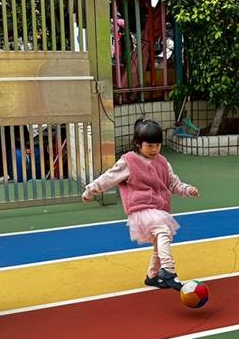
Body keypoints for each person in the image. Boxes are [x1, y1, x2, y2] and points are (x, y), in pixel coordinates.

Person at [82, 118, 198, 290]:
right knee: (163, 231)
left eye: (157, 145)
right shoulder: (129, 161)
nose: (154, 149)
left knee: (159, 242)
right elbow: (109, 178)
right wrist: (90, 190)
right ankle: (168, 270)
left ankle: (152, 276)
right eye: (150, 145)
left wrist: (187, 189)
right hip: (140, 209)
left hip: (159, 209)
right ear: (137, 143)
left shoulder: (162, 162)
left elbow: (173, 183)